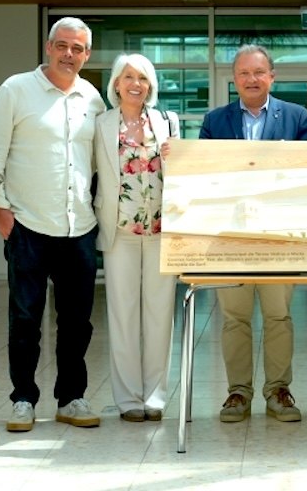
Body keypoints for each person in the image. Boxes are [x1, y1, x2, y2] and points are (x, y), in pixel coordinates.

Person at [0, 17, 106, 432]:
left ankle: (71, 398)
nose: (69, 54)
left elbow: (101, 162)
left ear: (87, 55)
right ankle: (23, 399)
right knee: (25, 320)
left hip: (79, 228)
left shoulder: (93, 99)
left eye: (78, 48)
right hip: (28, 225)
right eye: (62, 46)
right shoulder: (15, 90)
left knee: (77, 323)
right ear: (48, 47)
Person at [199, 44, 307, 423]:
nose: (252, 79)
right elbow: (203, 176)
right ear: (234, 79)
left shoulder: (296, 117)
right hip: (230, 234)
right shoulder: (215, 121)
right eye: (244, 73)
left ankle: (278, 391)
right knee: (235, 318)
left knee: (278, 316)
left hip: (279, 233)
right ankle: (238, 393)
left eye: (259, 72)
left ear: (272, 77)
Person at [94, 53, 179, 422]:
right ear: (116, 83)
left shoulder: (167, 121)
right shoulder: (101, 124)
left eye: (143, 78)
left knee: (160, 316)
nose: (136, 84)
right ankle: (128, 399)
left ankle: (155, 397)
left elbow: (181, 172)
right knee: (123, 315)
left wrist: (175, 156)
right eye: (128, 76)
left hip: (161, 231)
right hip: (120, 231)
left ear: (151, 85)